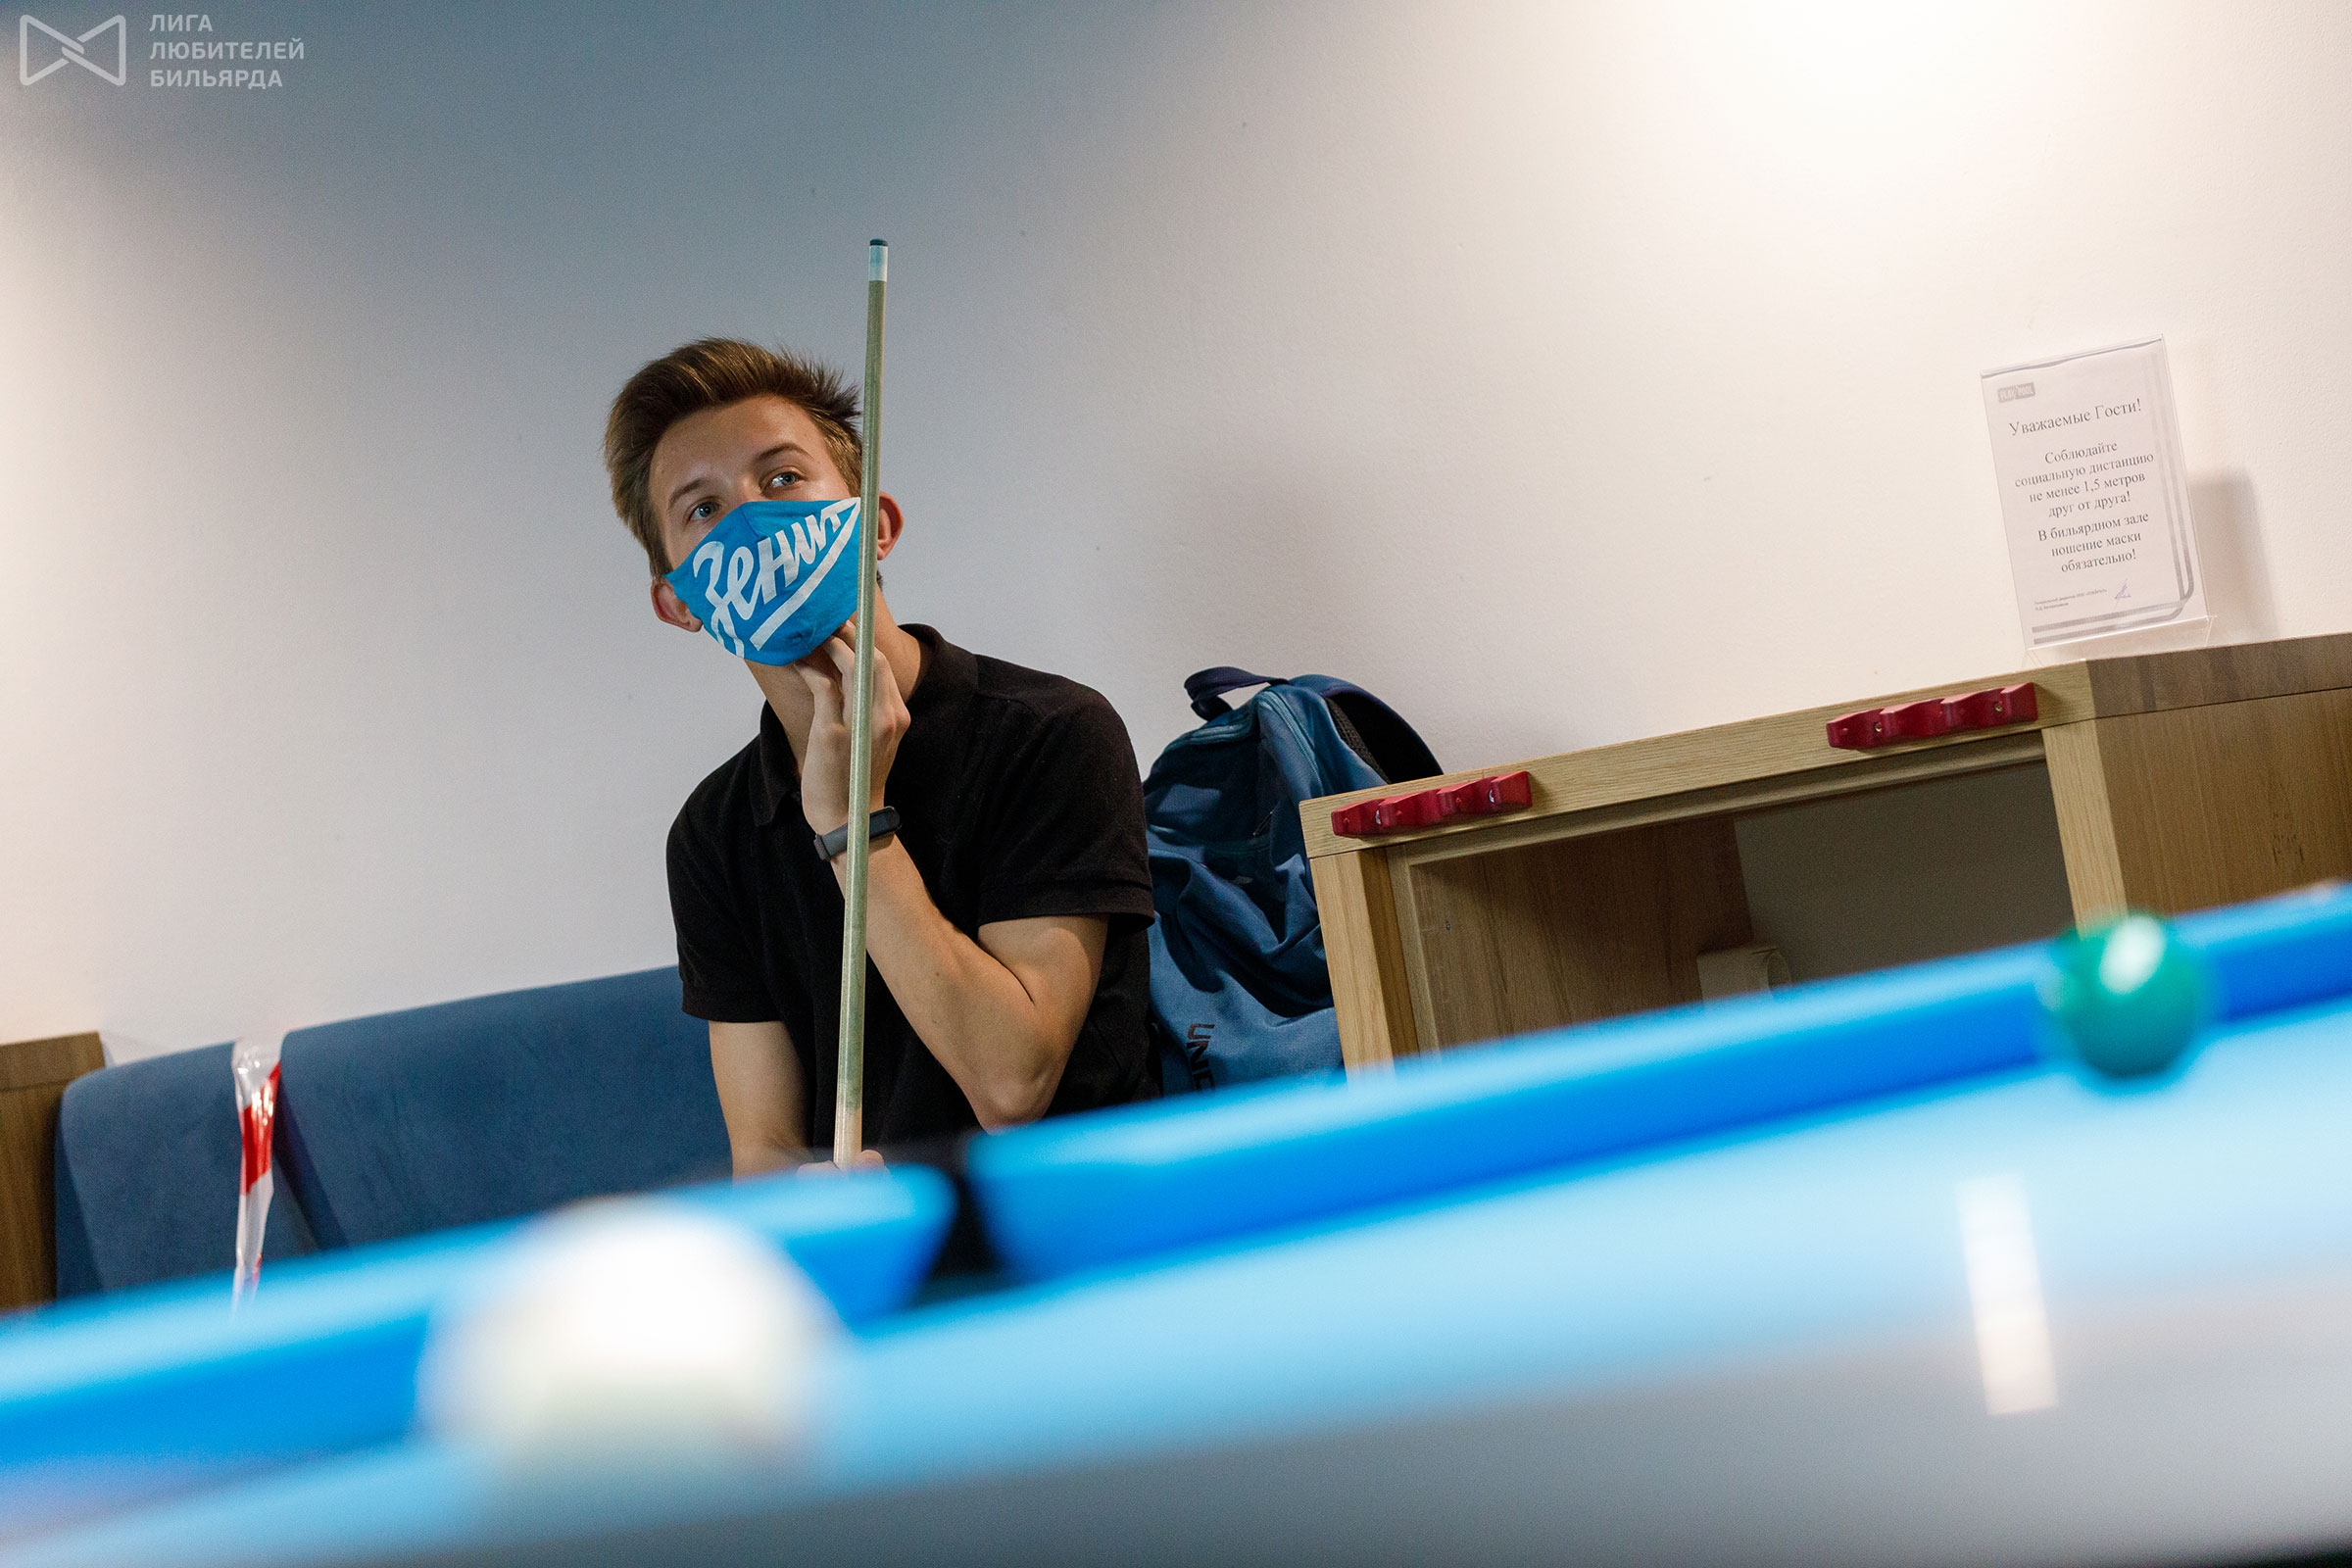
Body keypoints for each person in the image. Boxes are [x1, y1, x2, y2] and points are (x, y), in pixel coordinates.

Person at [603, 338, 1156, 1173]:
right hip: (881, 1245)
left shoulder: (1052, 733)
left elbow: (1013, 1084)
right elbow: (764, 1148)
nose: (752, 523)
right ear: (680, 603)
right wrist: (818, 1202)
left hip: (1078, 1227)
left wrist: (852, 823)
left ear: (876, 528)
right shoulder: (712, 833)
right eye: (704, 509)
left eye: (782, 480)